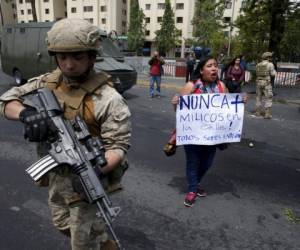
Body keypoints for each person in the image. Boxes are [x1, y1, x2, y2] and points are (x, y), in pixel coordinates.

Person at [0, 18, 131, 250]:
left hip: (86, 178)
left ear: (92, 56)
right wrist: (26, 114)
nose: (69, 65)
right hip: (57, 175)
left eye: (77, 57)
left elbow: (118, 147)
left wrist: (96, 169)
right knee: (61, 223)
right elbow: (6, 101)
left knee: (80, 244)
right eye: (62, 57)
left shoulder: (109, 99)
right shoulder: (46, 83)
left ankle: (99, 240)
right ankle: (102, 240)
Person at [171, 56, 247, 207]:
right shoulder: (191, 86)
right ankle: (192, 189)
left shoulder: (221, 86)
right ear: (201, 70)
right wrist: (175, 103)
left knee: (207, 163)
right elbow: (180, 111)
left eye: (215, 65)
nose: (214, 68)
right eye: (209, 66)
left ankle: (196, 181)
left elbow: (227, 109)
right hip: (193, 134)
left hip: (212, 136)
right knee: (193, 162)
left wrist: (240, 102)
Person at [255, 51, 277, 119]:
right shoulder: (270, 64)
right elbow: (273, 74)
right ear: (268, 58)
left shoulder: (258, 64)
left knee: (258, 98)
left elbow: (256, 73)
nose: (271, 58)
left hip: (258, 82)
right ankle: (267, 114)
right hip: (266, 83)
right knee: (268, 98)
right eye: (270, 57)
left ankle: (257, 112)